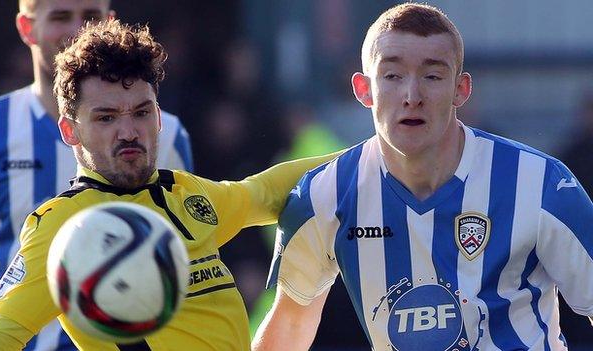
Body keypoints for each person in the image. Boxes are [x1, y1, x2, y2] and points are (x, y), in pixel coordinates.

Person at [0, 19, 339, 350]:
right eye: (106, 117)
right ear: (70, 131)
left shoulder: (186, 193)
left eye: (141, 112)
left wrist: (373, 154)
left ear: (158, 118)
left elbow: (266, 192)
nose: (128, 131)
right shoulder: (62, 226)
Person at [253, 3, 593, 351]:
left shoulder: (540, 184)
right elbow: (292, 321)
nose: (412, 96)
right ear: (363, 89)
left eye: (432, 76)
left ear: (460, 89)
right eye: (392, 76)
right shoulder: (323, 195)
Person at [0, 1, 193, 350]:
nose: (78, 29)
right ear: (27, 28)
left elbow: (188, 251)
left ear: (110, 22)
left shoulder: (165, 132)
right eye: (61, 16)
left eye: (90, 16)